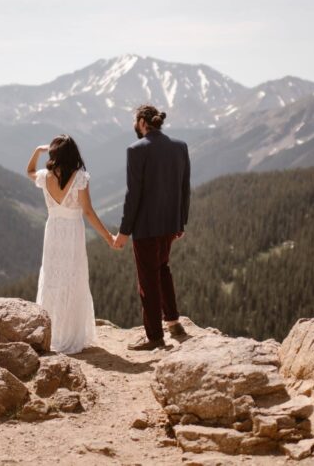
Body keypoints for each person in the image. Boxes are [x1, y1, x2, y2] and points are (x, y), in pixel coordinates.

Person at [112, 104, 191, 351]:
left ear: (143, 122)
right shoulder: (180, 147)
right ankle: (174, 322)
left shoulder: (136, 150)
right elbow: (184, 188)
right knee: (163, 269)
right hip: (170, 224)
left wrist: (124, 232)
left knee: (148, 280)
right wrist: (181, 222)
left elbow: (133, 195)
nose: (134, 126)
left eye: (135, 121)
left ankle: (154, 337)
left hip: (146, 227)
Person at [26, 134, 114, 354]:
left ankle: (50, 331)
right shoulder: (80, 177)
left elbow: (29, 171)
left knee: (52, 278)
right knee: (73, 278)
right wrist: (108, 237)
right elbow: (88, 212)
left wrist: (37, 151)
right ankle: (70, 333)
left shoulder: (45, 176)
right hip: (73, 232)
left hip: (53, 230)